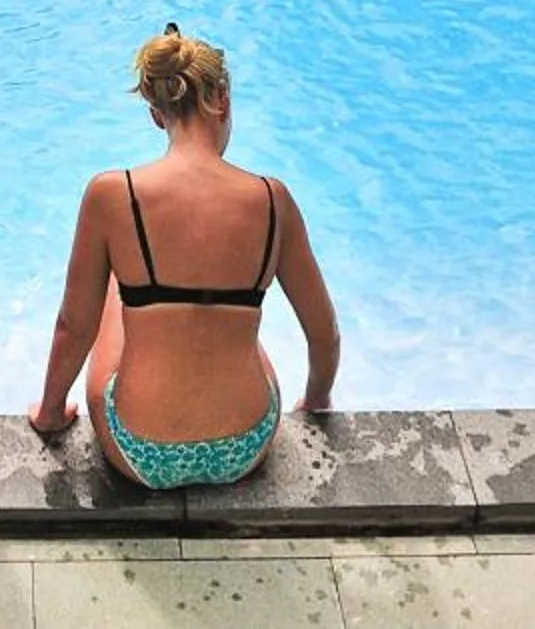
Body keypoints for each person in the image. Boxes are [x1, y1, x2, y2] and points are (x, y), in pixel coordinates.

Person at [27, 25, 340, 491]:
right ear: (224, 99)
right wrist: (317, 400)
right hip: (246, 445)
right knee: (235, 319)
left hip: (139, 448)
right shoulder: (273, 200)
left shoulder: (113, 195)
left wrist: (51, 412)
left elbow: (74, 326)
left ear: (156, 115)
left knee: (118, 284)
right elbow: (323, 332)